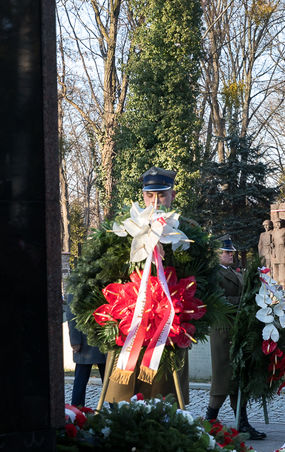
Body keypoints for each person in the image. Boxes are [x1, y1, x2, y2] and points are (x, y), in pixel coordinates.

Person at [103, 167, 191, 405]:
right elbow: (107, 274)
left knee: (164, 400)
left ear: (172, 195)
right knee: (122, 401)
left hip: (166, 333)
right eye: (149, 195)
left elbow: (196, 279)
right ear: (142, 195)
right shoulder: (126, 229)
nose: (155, 201)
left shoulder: (186, 233)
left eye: (161, 195)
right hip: (129, 330)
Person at [206, 238, 266, 440]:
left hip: (237, 330)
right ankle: (209, 421)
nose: (231, 254)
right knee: (223, 379)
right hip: (223, 332)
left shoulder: (234, 272)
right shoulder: (213, 274)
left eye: (231, 252)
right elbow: (218, 301)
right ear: (216, 254)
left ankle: (242, 423)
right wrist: (246, 301)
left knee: (238, 378)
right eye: (226, 252)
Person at [66, 290, 105, 408]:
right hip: (85, 344)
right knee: (80, 383)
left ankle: (118, 414)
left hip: (104, 340)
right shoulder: (77, 286)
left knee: (110, 383)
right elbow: (72, 314)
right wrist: (75, 340)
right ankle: (76, 413)